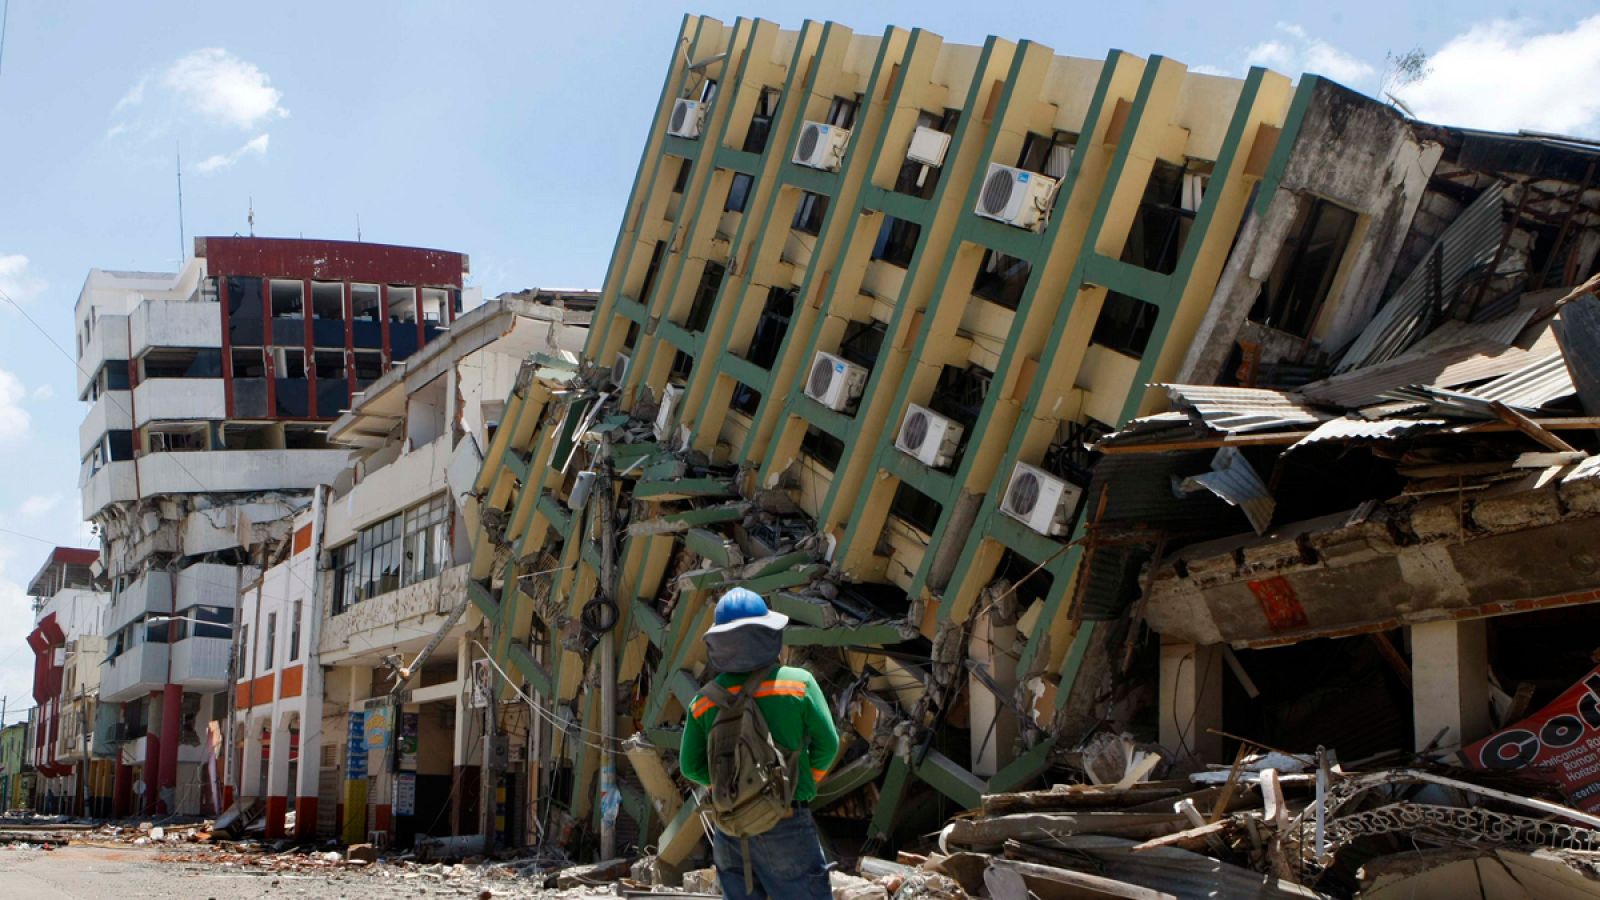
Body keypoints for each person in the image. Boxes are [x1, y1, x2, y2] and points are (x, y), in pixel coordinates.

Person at [680, 587, 839, 900]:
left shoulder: (703, 702)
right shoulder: (798, 684)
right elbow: (828, 745)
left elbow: (690, 766)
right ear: (768, 634)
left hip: (730, 828)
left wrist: (731, 789)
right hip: (787, 819)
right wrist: (802, 784)